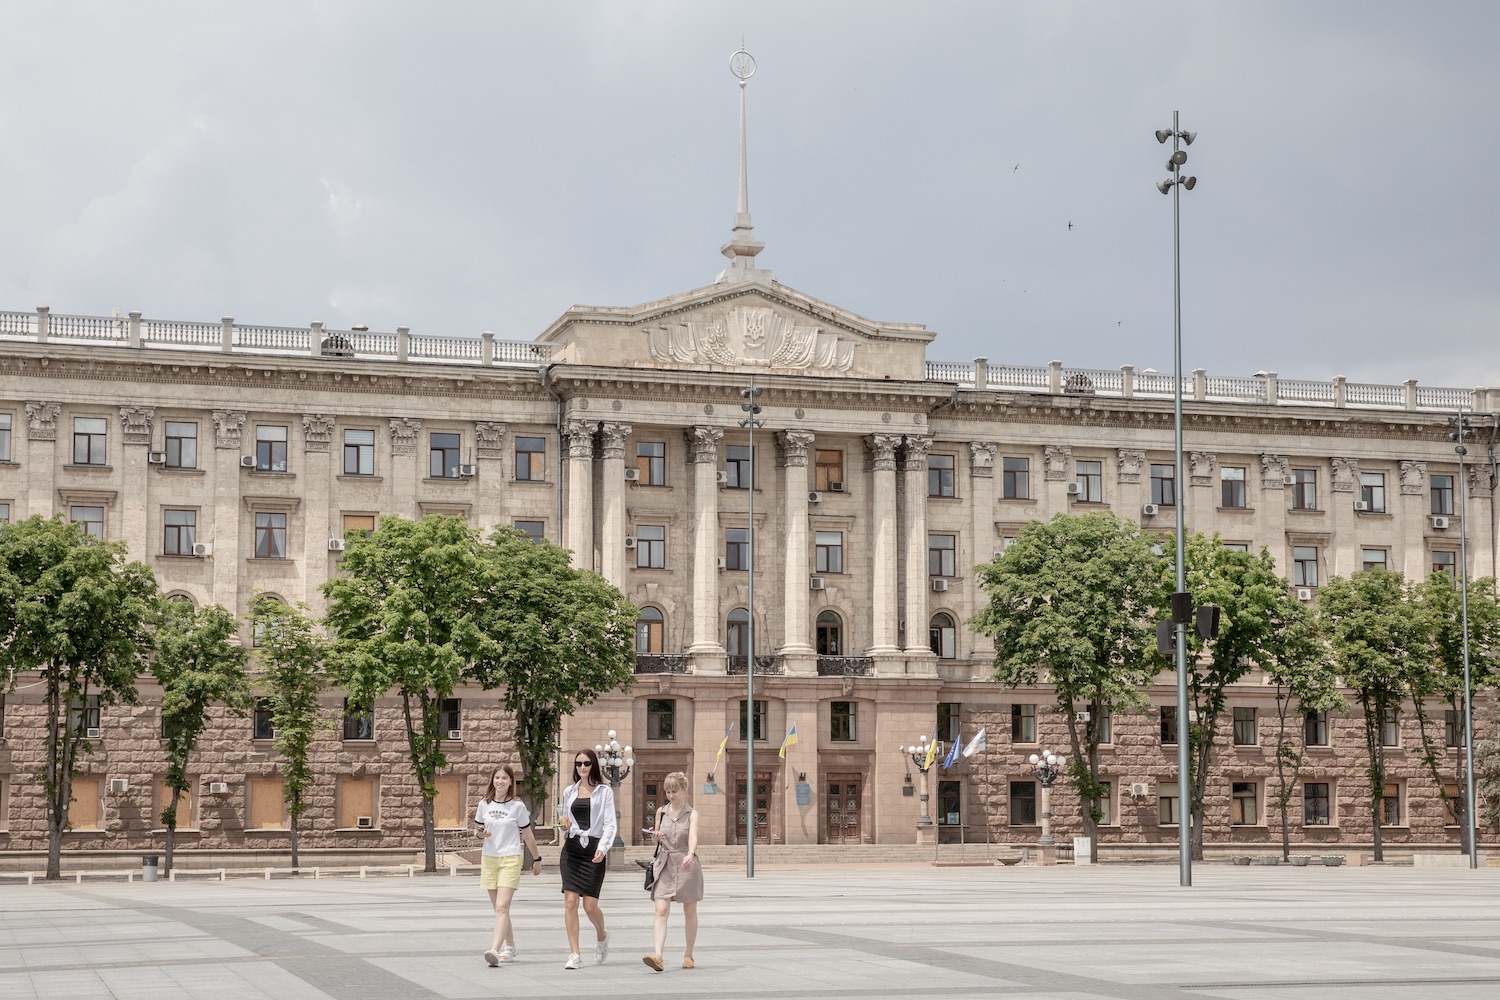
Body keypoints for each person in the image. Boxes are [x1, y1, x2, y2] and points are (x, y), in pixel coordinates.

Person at [474, 765, 543, 966]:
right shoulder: (484, 804)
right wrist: (482, 834)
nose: (500, 781)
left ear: (511, 781)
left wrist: (537, 859)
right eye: (497, 778)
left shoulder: (517, 807)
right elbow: (476, 831)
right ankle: (510, 946)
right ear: (492, 780)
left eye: (505, 778)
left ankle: (494, 949)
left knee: (502, 907)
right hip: (489, 859)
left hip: (510, 859)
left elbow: (527, 834)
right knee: (499, 909)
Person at [558, 747, 616, 970]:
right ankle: (574, 953)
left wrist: (603, 848)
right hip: (572, 848)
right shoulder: (569, 791)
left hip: (593, 849)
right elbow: (565, 821)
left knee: (590, 906)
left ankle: (602, 935)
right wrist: (564, 826)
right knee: (570, 901)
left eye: (586, 763)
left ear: (594, 765)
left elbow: (610, 823)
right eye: (578, 763)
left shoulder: (604, 792)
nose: (582, 767)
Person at [641, 771, 703, 972]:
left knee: (690, 910)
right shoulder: (661, 811)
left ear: (684, 789)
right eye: (668, 791)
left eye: (674, 791)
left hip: (686, 863)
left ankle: (688, 955)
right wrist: (655, 836)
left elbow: (692, 836)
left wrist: (691, 853)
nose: (670, 795)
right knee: (661, 909)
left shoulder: (692, 814)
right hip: (665, 863)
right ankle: (658, 956)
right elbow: (655, 841)